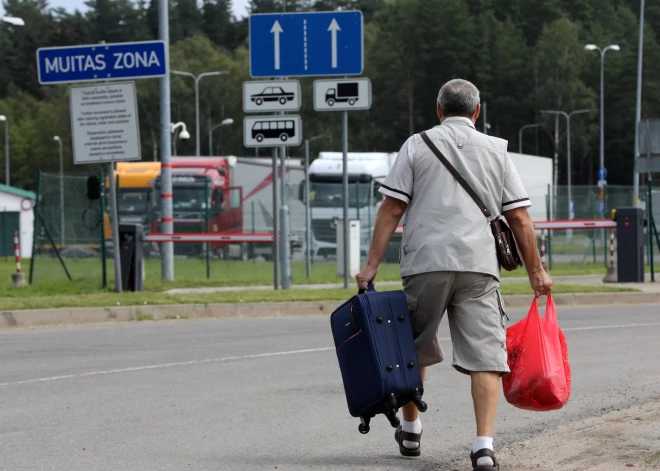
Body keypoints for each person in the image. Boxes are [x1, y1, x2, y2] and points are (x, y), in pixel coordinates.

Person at [355, 79, 552, 471]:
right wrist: (537, 272)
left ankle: (411, 431)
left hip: (425, 261)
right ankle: (483, 447)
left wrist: (371, 266)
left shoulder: (416, 145)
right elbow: (519, 218)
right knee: (485, 357)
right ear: (478, 112)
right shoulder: (498, 151)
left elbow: (392, 210)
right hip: (478, 266)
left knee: (412, 346)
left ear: (438, 110)